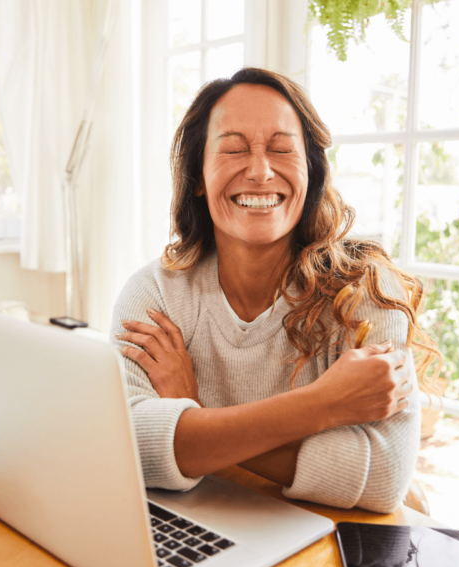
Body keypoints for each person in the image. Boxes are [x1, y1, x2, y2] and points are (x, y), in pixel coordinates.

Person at [112, 68, 440, 513]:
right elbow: (129, 445)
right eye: (232, 149)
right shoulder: (155, 294)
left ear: (311, 173)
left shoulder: (364, 291)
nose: (261, 171)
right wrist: (326, 403)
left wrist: (194, 413)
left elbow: (383, 479)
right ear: (197, 176)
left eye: (283, 149)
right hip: (210, 533)